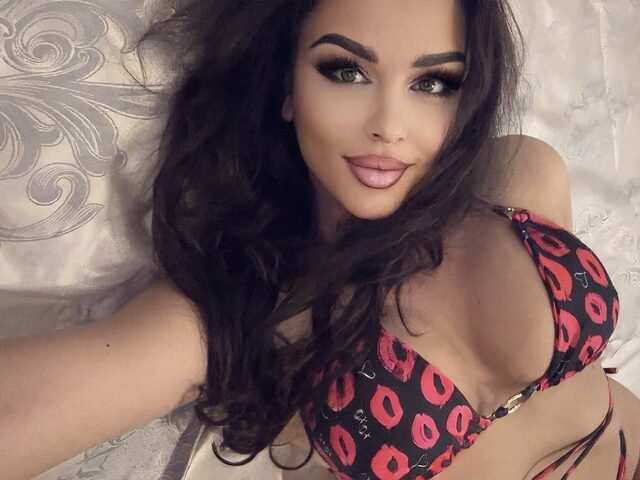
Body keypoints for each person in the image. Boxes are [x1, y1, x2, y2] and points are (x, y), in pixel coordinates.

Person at [0, 0, 639, 479]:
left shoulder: (516, 174)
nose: (389, 125)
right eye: (346, 71)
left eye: (433, 82)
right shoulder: (249, 313)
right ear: (286, 86)